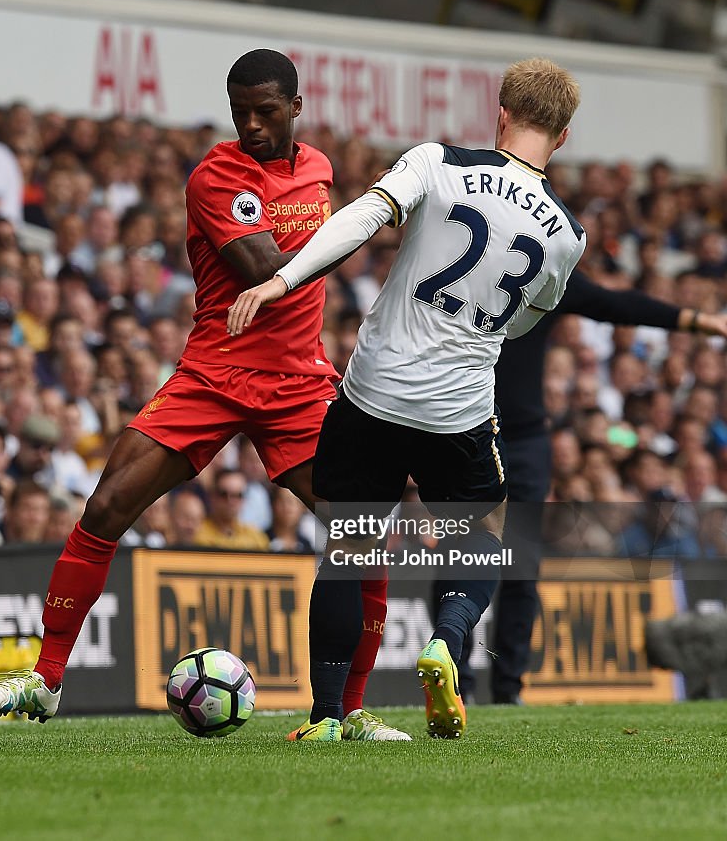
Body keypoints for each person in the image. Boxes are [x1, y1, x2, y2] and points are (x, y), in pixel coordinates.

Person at [0, 49, 408, 741]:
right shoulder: (216, 174)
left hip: (298, 381)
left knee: (363, 524)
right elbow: (264, 268)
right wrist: (361, 223)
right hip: (216, 371)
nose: (253, 125)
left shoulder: (319, 169)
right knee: (108, 502)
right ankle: (45, 680)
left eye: (266, 112)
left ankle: (348, 712)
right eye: (241, 112)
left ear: (295, 108)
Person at [229, 57, 585, 740]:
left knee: (349, 547)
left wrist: (281, 281)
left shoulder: (436, 161)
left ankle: (327, 718)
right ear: (563, 137)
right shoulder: (567, 235)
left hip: (372, 394)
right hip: (458, 411)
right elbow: (528, 320)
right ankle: (446, 642)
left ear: (501, 112)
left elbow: (362, 220)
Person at [453, 272, 727, 705]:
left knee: (521, 564)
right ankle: (455, 682)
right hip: (462, 429)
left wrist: (694, 319)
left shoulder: (544, 268)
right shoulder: (466, 266)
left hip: (522, 437)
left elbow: (614, 303)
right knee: (462, 551)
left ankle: (508, 689)